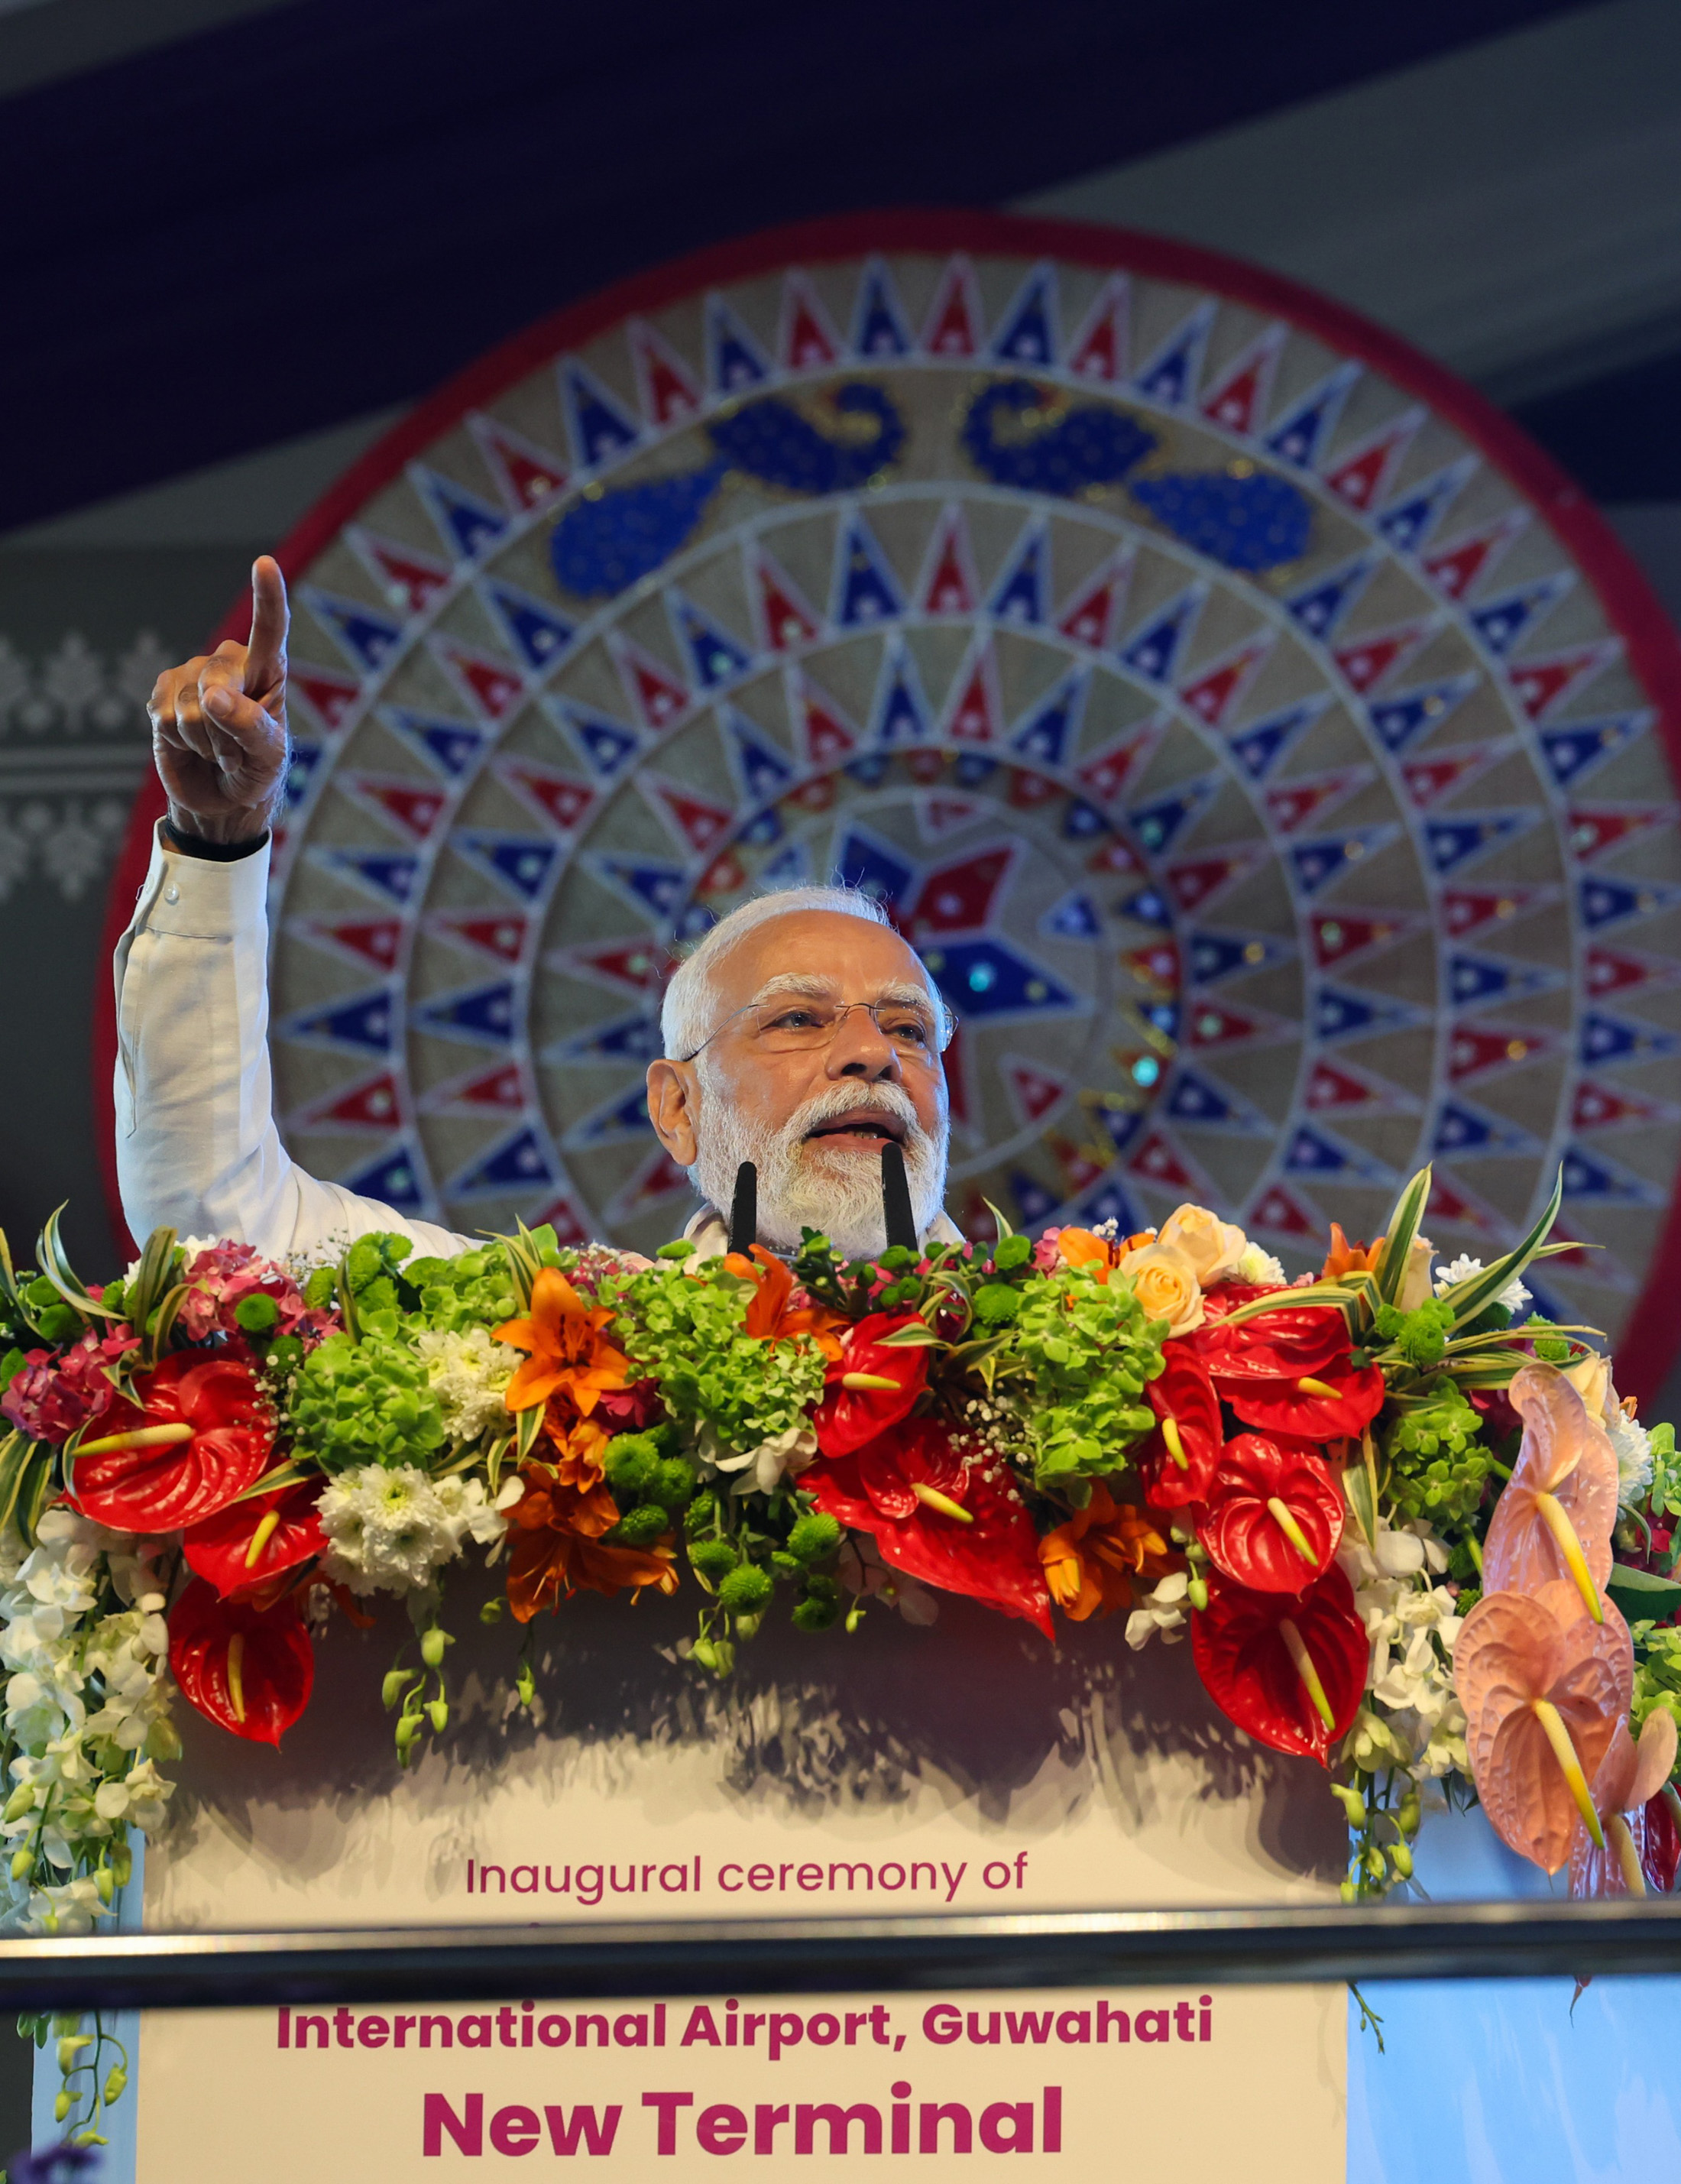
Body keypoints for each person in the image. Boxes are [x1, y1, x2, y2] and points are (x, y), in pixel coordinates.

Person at [118, 559, 960, 1265]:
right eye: (797, 1017)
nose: (870, 1054)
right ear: (677, 1108)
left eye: (909, 1029)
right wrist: (218, 843)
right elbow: (218, 1227)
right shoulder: (555, 1345)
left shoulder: (1089, 1341)